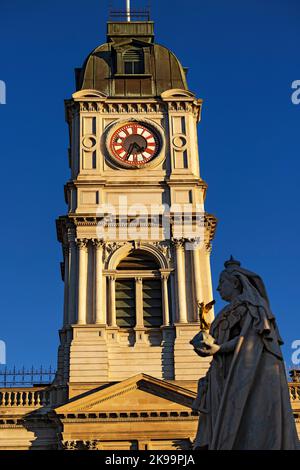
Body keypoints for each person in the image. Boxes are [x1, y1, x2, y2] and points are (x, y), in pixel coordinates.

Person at [190, 257, 299, 450]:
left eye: (221, 283)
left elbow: (253, 339)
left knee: (248, 427)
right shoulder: (229, 310)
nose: (218, 289)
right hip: (224, 376)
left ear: (235, 283)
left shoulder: (252, 306)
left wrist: (218, 348)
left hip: (247, 376)